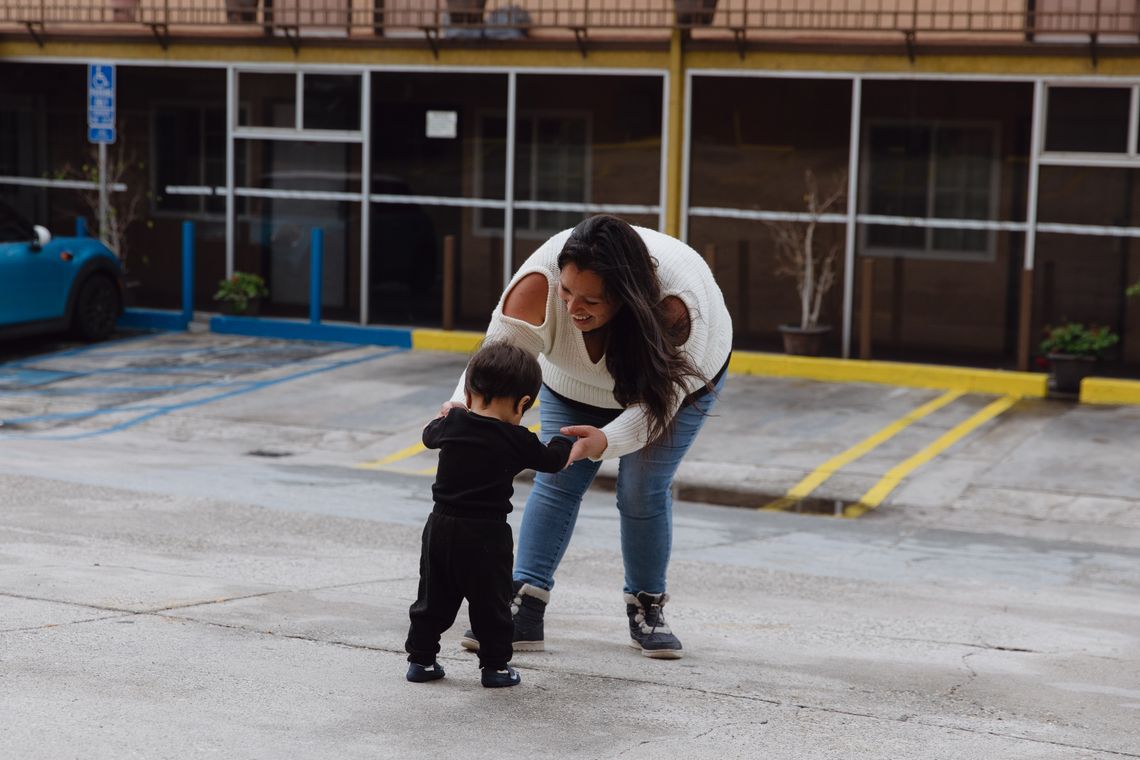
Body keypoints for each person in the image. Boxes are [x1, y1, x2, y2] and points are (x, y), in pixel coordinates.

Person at [448, 214, 732, 660]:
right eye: (567, 292)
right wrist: (464, 408)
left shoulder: (675, 309)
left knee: (641, 489)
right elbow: (494, 366)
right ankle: (523, 608)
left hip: (671, 388)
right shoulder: (537, 285)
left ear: (627, 296)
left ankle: (647, 607)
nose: (574, 307)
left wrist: (603, 441)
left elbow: (653, 413)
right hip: (573, 383)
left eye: (592, 301)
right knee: (558, 477)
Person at [405, 341, 573, 688]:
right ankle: (495, 668)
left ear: (469, 392)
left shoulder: (452, 423)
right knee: (490, 602)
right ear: (524, 403)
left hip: (440, 526)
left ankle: (421, 660)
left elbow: (427, 435)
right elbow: (553, 461)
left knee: (433, 596)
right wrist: (563, 441)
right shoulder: (517, 439)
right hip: (487, 534)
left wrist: (445, 413)